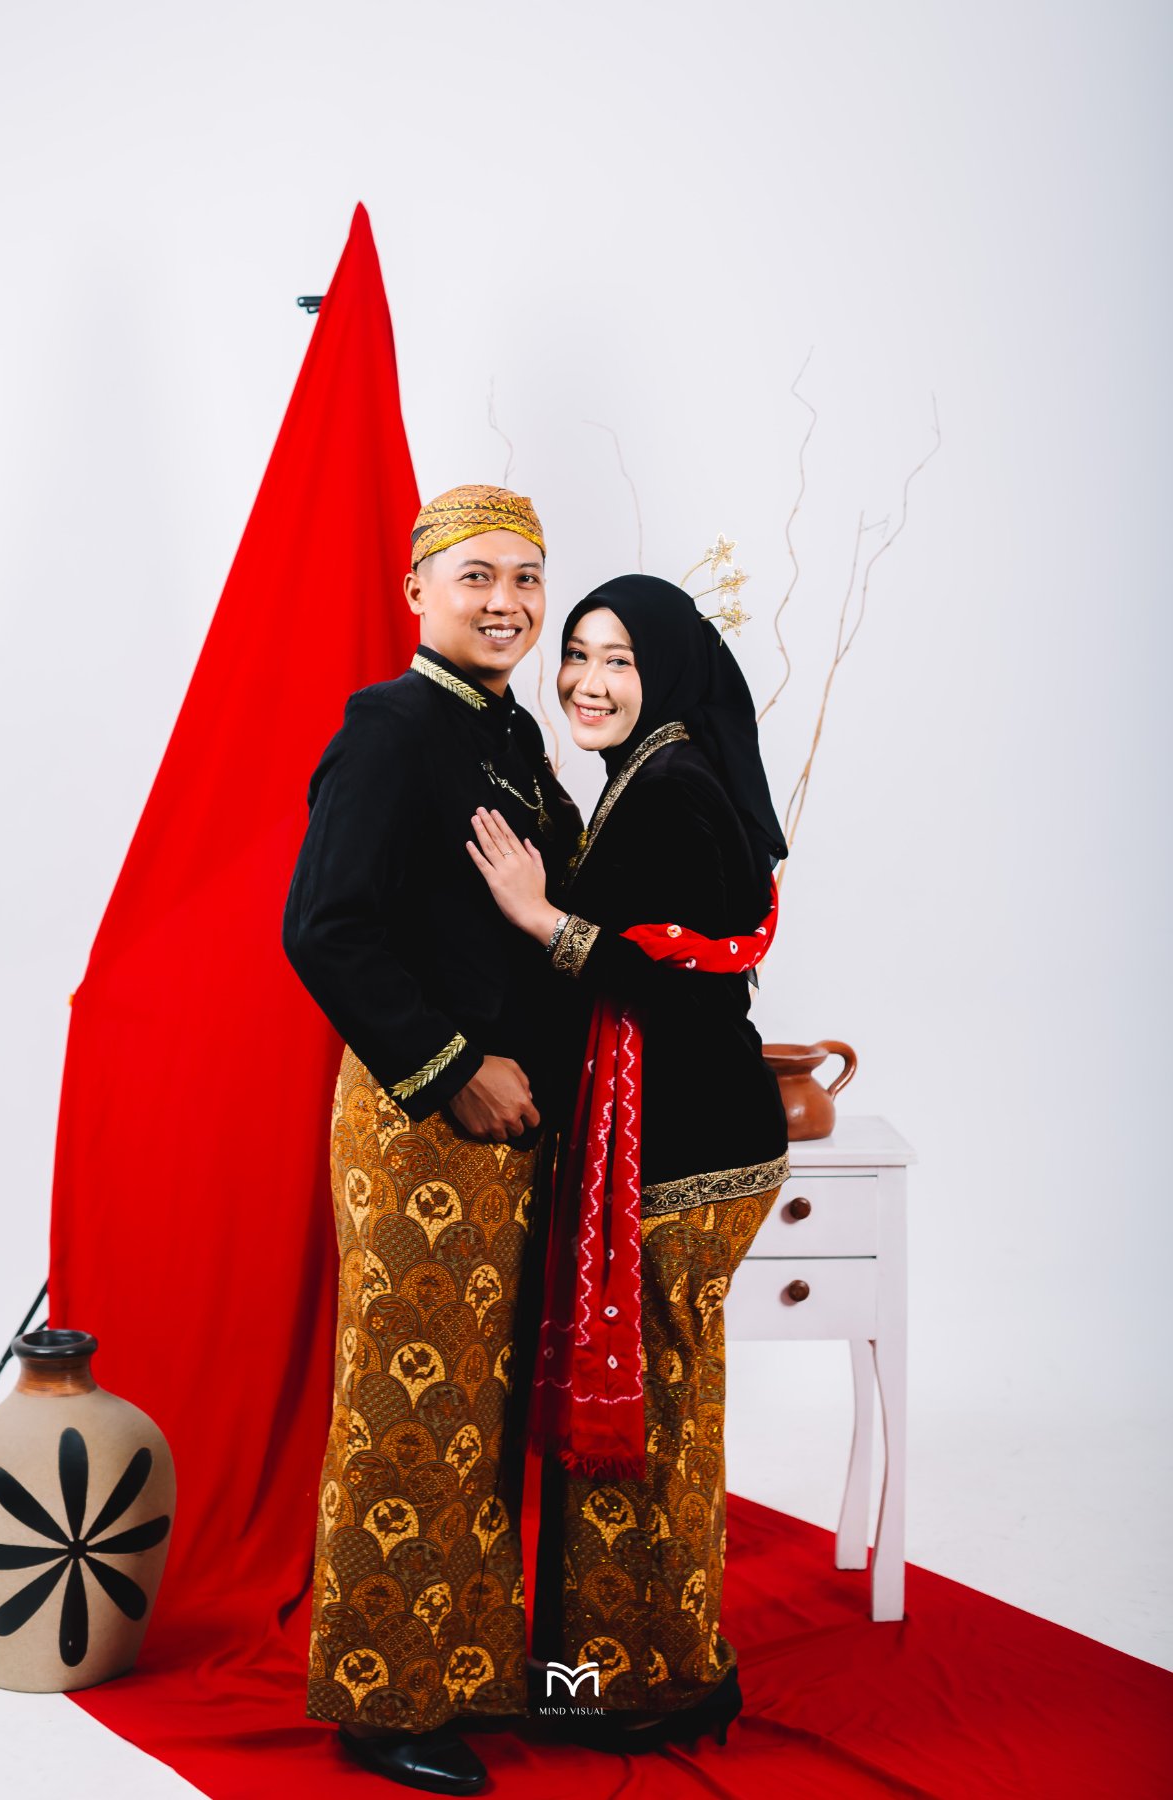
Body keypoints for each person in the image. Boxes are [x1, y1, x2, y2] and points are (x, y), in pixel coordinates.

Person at [283, 485, 582, 1796]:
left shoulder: (512, 733)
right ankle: (382, 1697)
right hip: (423, 1126)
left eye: (526, 578)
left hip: (514, 1129)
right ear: (418, 593)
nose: (505, 602)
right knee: (410, 1408)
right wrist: (454, 1069)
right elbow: (324, 926)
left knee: (481, 1411)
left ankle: (470, 1669)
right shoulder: (392, 727)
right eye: (477, 577)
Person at [466, 571, 789, 1752]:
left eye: (619, 661)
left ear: (668, 674)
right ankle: (624, 1669)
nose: (588, 683)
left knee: (649, 1429)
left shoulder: (672, 791)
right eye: (579, 655)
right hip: (682, 1145)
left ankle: (648, 1684)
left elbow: (687, 993)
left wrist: (538, 915)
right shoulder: (653, 772)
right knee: (657, 1417)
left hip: (685, 1159)